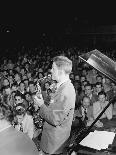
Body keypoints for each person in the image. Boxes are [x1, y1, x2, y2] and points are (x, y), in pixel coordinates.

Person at [34, 56, 76, 154]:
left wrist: (41, 105)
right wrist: (44, 101)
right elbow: (55, 109)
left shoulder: (65, 91)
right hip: (51, 139)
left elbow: (55, 119)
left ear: (60, 71)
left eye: (53, 68)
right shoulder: (61, 87)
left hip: (54, 144)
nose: (51, 70)